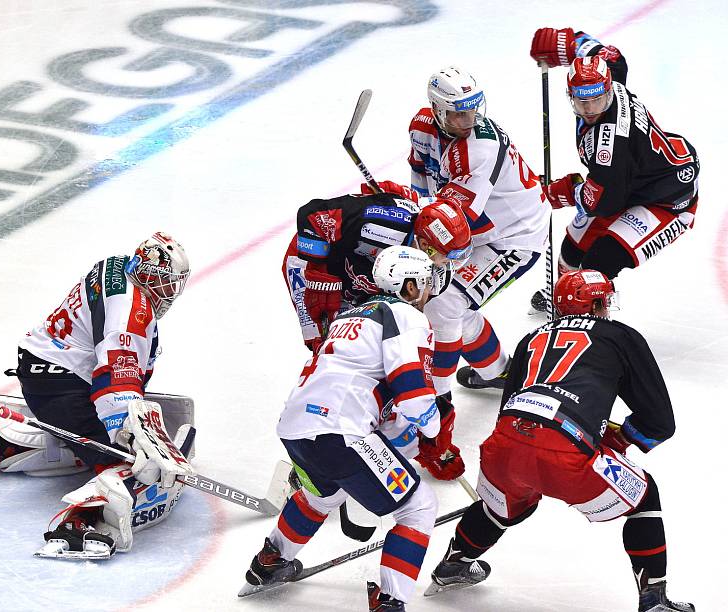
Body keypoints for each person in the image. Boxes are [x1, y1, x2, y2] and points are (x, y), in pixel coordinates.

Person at [425, 269, 694, 612]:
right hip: (566, 451)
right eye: (603, 302)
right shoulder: (619, 336)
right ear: (595, 303)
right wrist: (620, 438)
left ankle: (454, 563)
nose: (607, 308)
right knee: (644, 497)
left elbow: (507, 406)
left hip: (505, 442)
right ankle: (654, 600)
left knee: (505, 504)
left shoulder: (531, 337)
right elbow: (660, 422)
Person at [242, 246, 456, 611]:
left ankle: (270, 561)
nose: (428, 291)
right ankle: (390, 601)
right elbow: (414, 394)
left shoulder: (350, 315)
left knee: (320, 496)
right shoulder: (405, 316)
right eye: (423, 282)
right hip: (342, 430)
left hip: (296, 429)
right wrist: (436, 435)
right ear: (406, 286)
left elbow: (373, 394)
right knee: (418, 507)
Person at [0, 232, 196, 559]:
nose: (171, 293)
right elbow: (113, 382)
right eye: (168, 283)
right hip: (63, 389)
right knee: (133, 465)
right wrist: (133, 442)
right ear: (150, 274)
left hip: (44, 374)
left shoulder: (118, 266)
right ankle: (82, 521)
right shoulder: (133, 313)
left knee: (109, 440)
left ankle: (13, 444)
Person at [283, 191, 472, 480]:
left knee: (380, 358)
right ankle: (314, 454)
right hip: (314, 272)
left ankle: (388, 441)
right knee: (331, 353)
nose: (450, 264)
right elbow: (312, 213)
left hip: (362, 282)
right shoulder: (381, 221)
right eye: (448, 256)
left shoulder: (433, 272)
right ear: (425, 245)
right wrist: (318, 272)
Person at [401, 64, 551, 391]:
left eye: (472, 110)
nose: (467, 121)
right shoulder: (421, 128)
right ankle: (498, 371)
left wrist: (406, 220)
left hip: (515, 235)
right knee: (451, 305)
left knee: (443, 304)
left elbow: (451, 220)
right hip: (471, 228)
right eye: (457, 114)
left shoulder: (480, 149)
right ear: (436, 110)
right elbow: (422, 186)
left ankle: (434, 401)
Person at [528, 28, 699, 312]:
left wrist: (565, 191)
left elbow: (603, 202)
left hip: (667, 200)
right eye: (583, 100)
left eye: (596, 99)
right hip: (636, 180)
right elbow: (613, 57)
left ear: (606, 90)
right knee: (572, 248)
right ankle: (564, 301)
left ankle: (593, 326)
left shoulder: (608, 149)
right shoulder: (609, 80)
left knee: (598, 264)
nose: (591, 107)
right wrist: (569, 43)